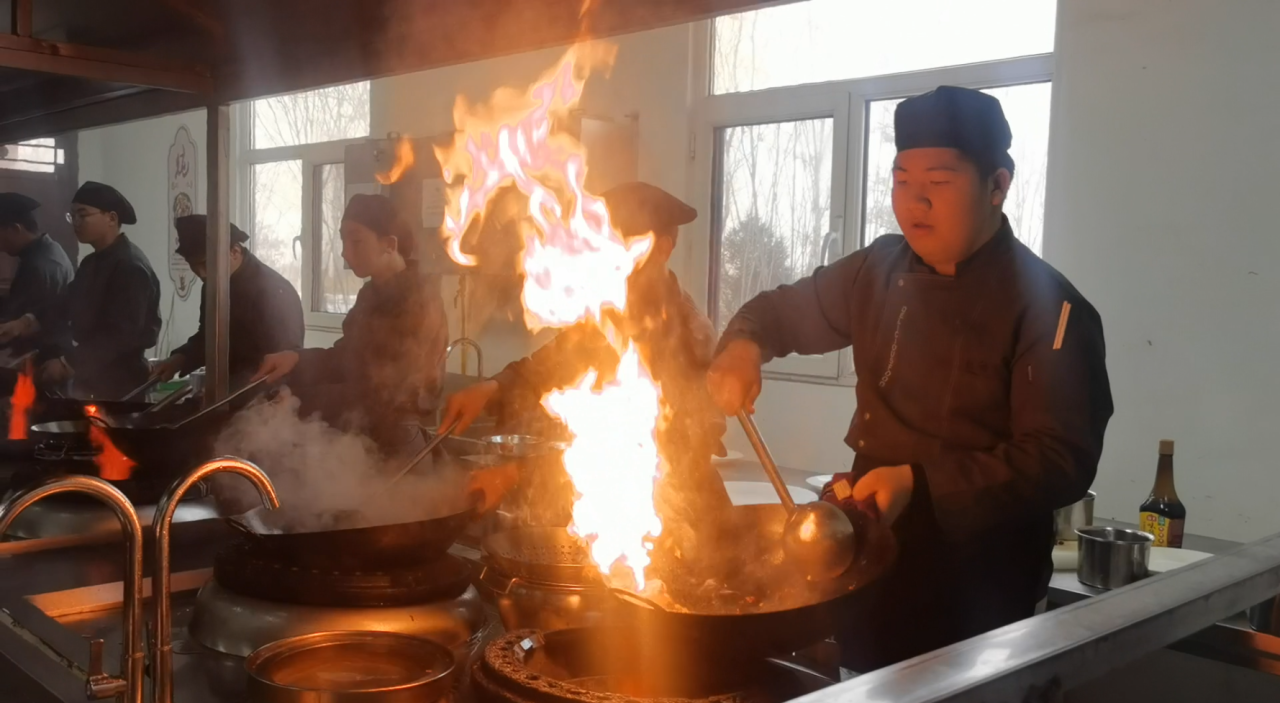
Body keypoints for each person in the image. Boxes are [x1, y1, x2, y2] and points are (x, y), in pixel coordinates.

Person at [706, 86, 1113, 671]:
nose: (914, 202)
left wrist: (919, 485)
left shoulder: (1051, 308)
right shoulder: (877, 268)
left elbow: (1058, 459)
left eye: (939, 184)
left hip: (980, 589)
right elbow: (780, 312)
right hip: (867, 564)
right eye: (901, 181)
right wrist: (744, 343)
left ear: (998, 185)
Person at [441, 182, 731, 522]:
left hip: (674, 525)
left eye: (615, 247)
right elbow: (547, 366)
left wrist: (515, 473)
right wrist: (492, 388)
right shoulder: (607, 313)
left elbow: (652, 448)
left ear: (662, 249)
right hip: (607, 514)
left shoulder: (688, 333)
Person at [253, 194, 447, 447]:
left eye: (356, 241)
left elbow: (383, 391)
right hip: (361, 435)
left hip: (397, 444)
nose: (345, 252)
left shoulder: (418, 301)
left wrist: (299, 401)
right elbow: (347, 358)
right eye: (343, 241)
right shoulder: (371, 293)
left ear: (389, 244)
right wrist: (297, 359)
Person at [0, 182, 161, 398]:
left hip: (122, 382)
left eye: (82, 215)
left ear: (111, 218)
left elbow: (120, 335)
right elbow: (65, 304)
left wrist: (68, 363)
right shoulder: (91, 262)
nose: (75, 223)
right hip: (93, 376)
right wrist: (24, 323)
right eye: (72, 216)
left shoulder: (130, 266)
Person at [151, 215, 304, 387]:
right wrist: (179, 358)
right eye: (192, 264)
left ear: (234, 251)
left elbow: (285, 362)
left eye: (206, 263)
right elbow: (209, 337)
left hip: (261, 398)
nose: (201, 274)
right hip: (226, 391)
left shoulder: (274, 291)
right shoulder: (212, 285)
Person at [0, 193, 73, 360]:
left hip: (46, 361)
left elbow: (24, 323)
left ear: (14, 229)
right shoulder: (49, 248)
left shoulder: (38, 266)